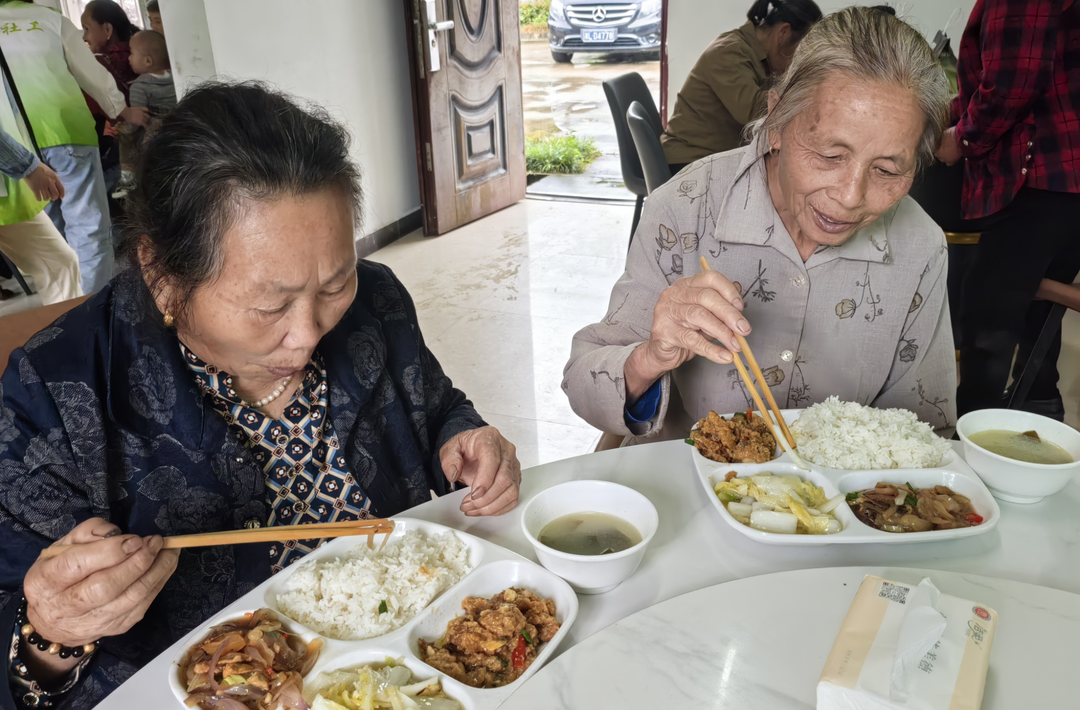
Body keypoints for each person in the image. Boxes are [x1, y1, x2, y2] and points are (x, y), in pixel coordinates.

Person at [0, 81, 521, 709]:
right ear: (163, 278)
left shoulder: (376, 301)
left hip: (416, 672)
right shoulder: (54, 390)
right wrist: (53, 632)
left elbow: (436, 407)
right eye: (268, 305)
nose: (307, 335)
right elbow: (17, 640)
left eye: (333, 284)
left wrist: (462, 438)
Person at [565, 7, 956, 445]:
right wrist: (651, 356)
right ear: (776, 124)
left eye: (886, 171)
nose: (850, 196)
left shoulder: (920, 247)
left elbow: (926, 427)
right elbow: (582, 385)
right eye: (830, 156)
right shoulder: (684, 209)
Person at [935, 0, 1080, 420]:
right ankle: (1038, 404)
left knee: (988, 323)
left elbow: (1012, 82)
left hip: (1035, 176)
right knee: (1034, 309)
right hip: (1061, 179)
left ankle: (974, 434)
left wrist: (962, 139)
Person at [0, 0, 139, 295]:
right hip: (66, 129)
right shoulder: (50, 19)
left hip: (19, 144)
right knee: (88, 227)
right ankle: (95, 306)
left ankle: (69, 310)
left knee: (53, 233)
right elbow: (91, 72)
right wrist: (119, 108)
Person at [660, 0, 822, 174]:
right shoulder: (728, 52)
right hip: (691, 162)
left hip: (715, 158)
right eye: (800, 50)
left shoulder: (761, 57)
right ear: (783, 32)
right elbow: (755, 113)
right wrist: (811, 97)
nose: (799, 59)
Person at [0, 126, 82, 305]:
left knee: (59, 267)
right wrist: (27, 166)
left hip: (9, 189)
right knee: (59, 268)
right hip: (8, 184)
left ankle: (68, 330)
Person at [126, 30, 177, 129]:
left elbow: (137, 121)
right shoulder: (175, 78)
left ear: (148, 61)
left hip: (156, 137)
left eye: (131, 53)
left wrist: (124, 129)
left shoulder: (139, 87)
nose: (129, 58)